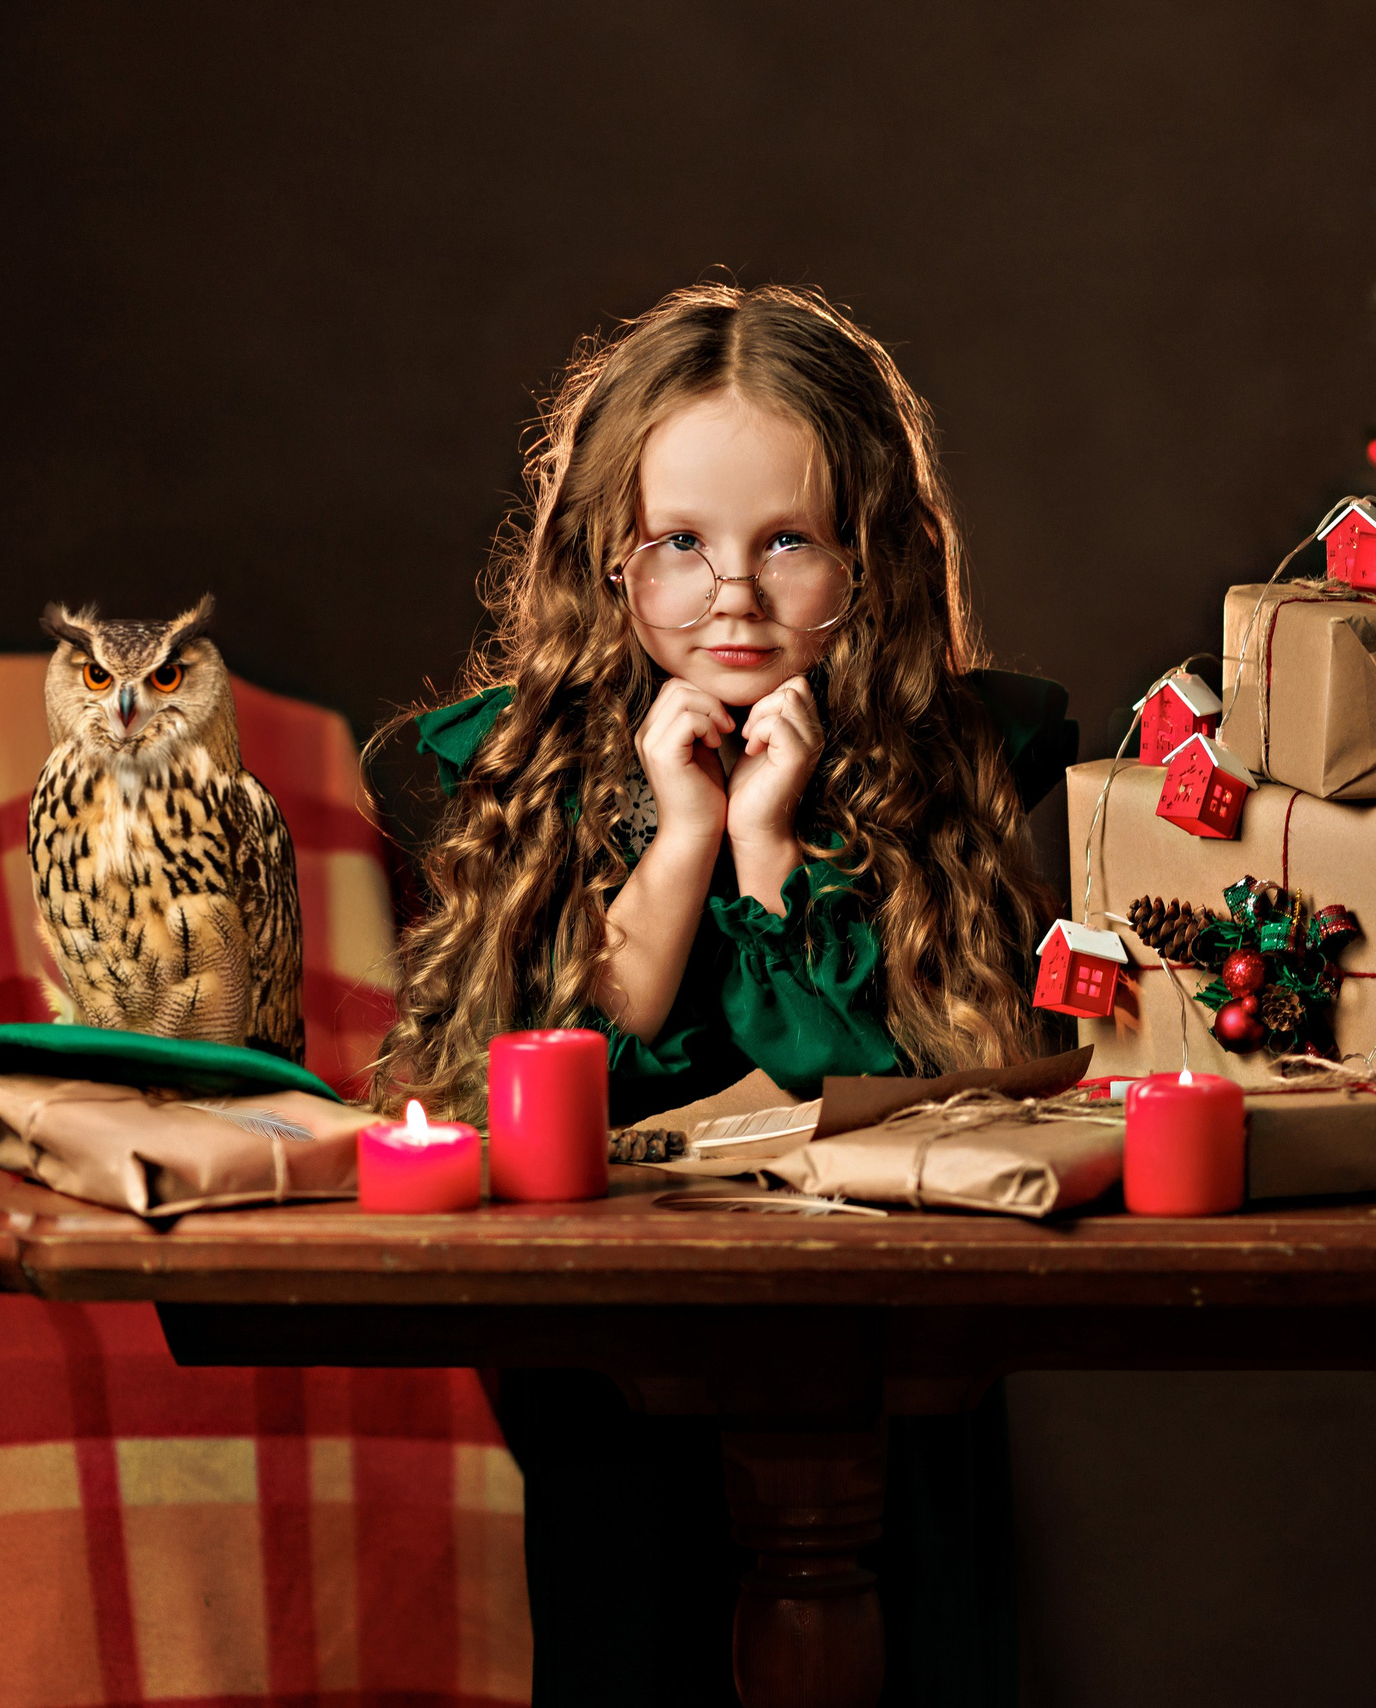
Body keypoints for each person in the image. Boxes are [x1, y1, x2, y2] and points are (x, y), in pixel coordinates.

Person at [380, 282, 1073, 1706]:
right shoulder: (537, 771)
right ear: (607, 560)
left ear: (869, 560)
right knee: (642, 1653)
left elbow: (914, 1091)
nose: (734, 592)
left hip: (886, 1371)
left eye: (788, 543)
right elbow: (548, 1068)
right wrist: (685, 836)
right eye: (680, 545)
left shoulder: (947, 768)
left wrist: (769, 845)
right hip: (617, 1357)